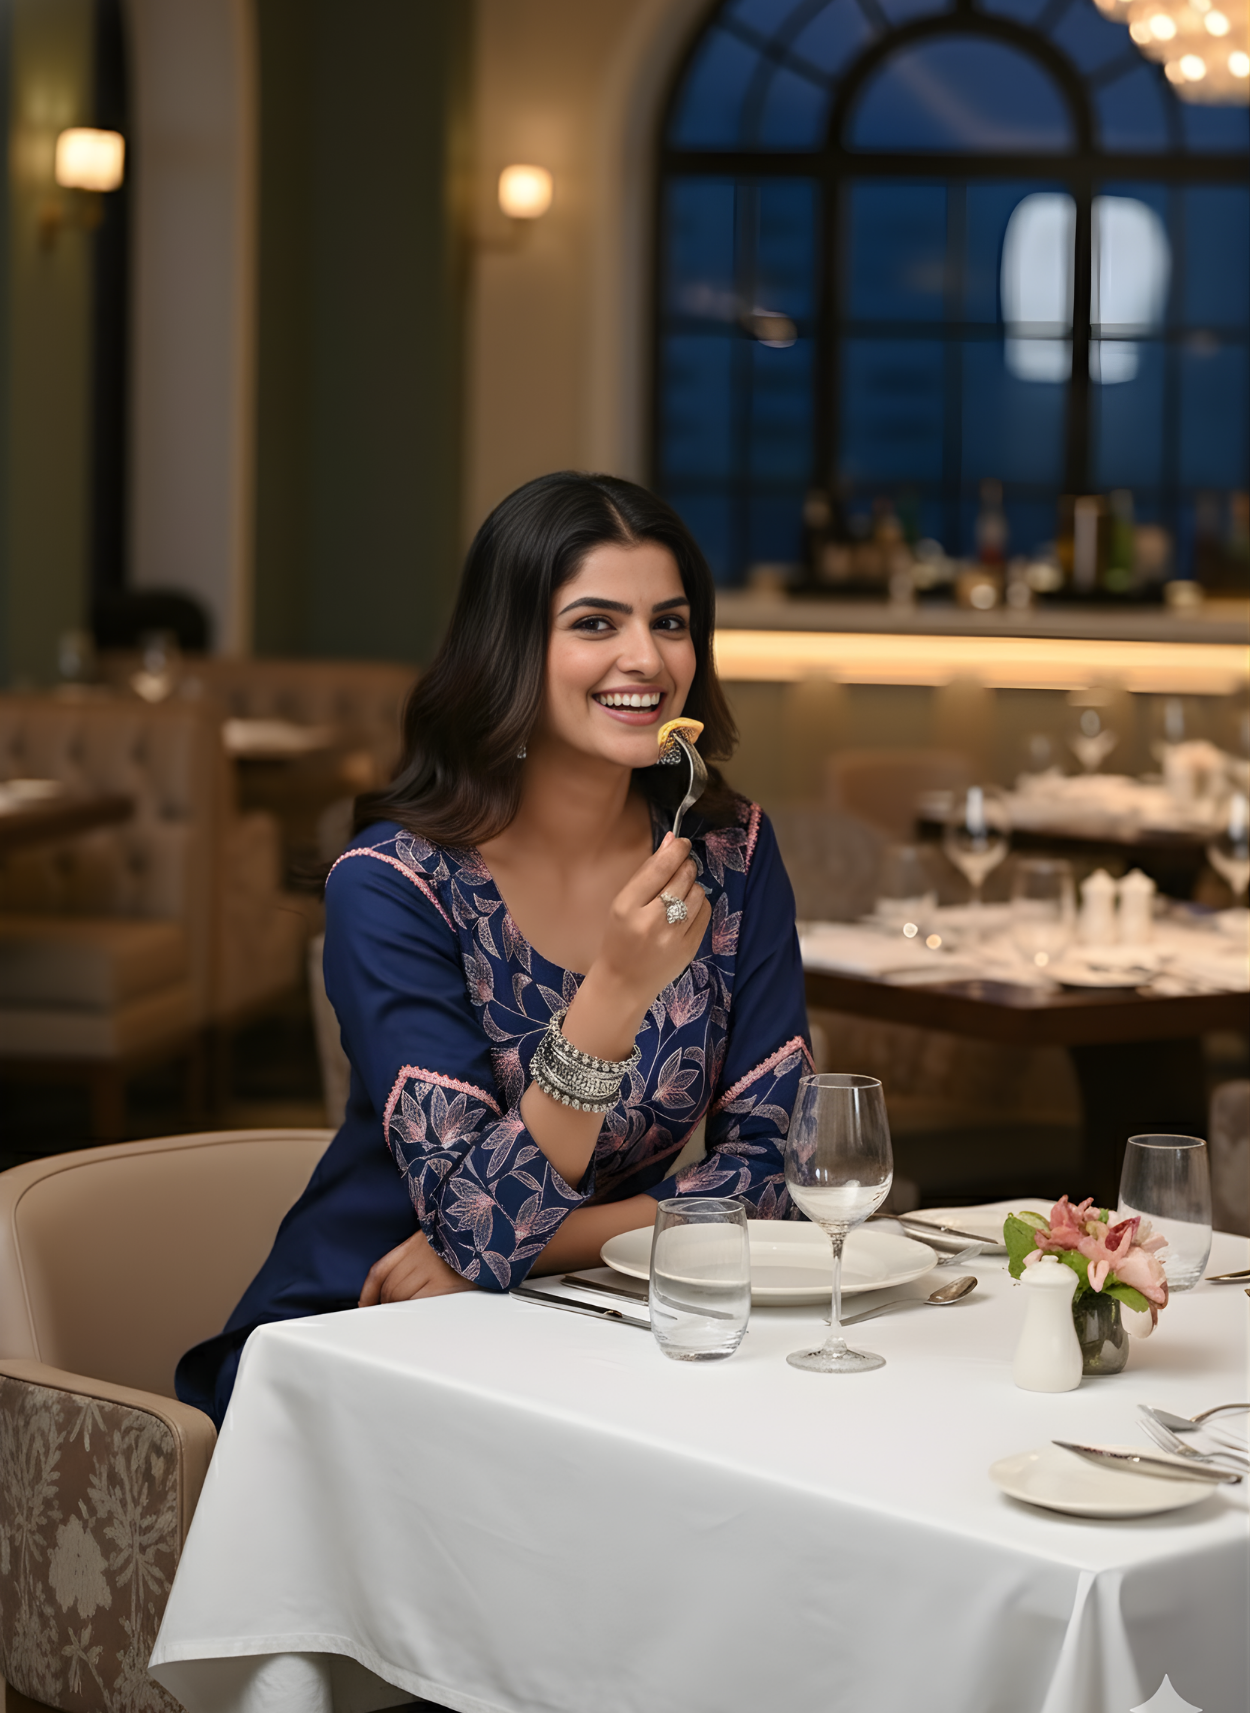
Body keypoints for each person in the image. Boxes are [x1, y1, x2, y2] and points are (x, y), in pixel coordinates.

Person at [177, 472, 811, 1427]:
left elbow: (777, 1177)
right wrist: (617, 992)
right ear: (512, 645)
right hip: (370, 1330)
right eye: (595, 623)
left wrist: (541, 1245)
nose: (646, 656)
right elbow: (477, 1217)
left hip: (602, 1326)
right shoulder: (394, 886)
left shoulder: (731, 856)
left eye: (670, 622)